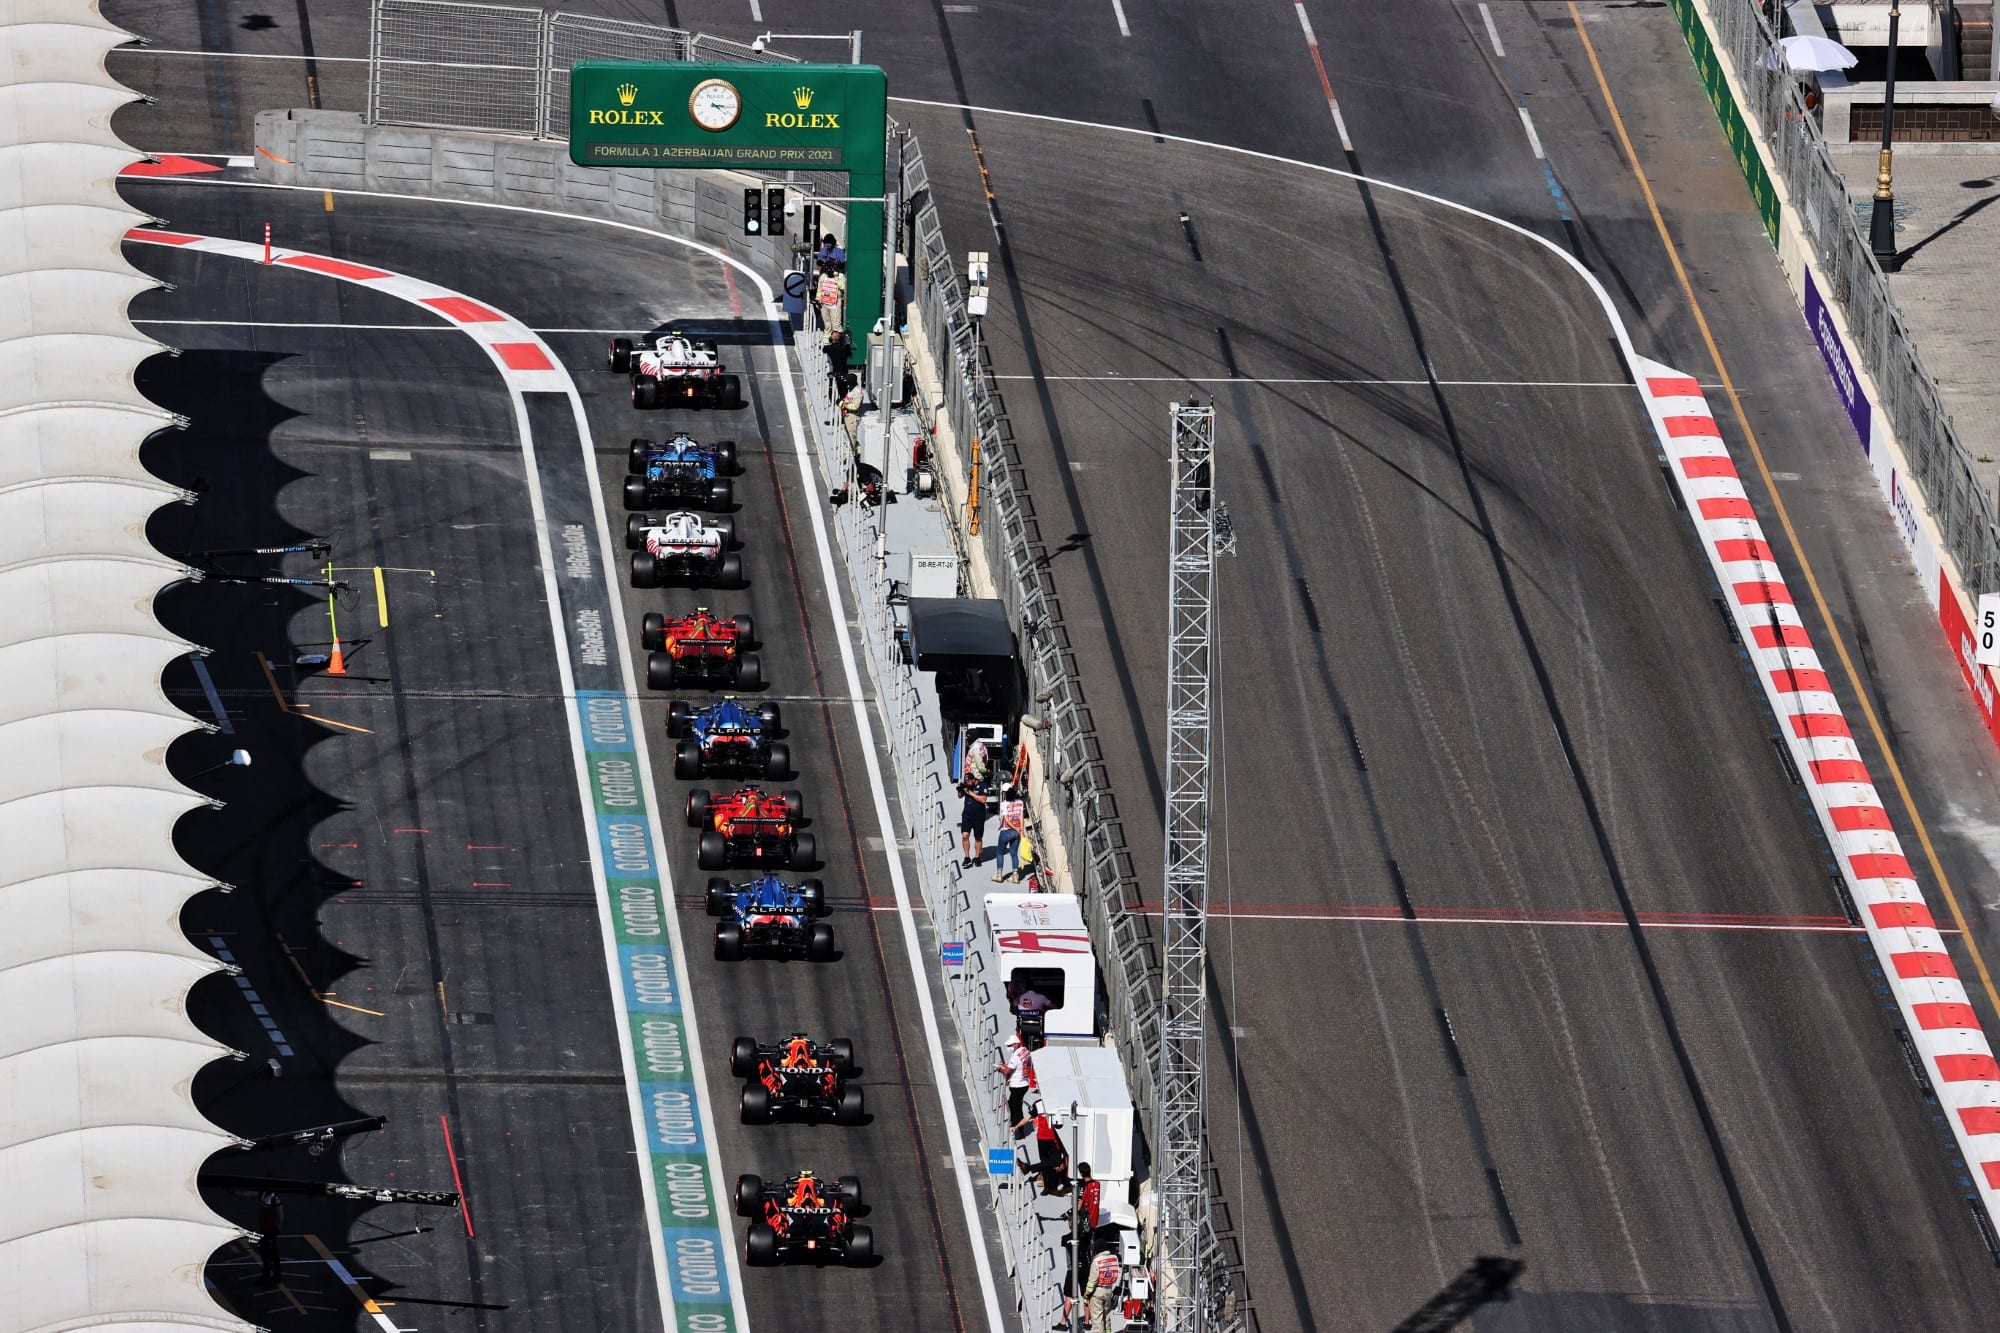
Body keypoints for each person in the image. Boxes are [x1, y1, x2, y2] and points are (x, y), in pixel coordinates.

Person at [996, 1033, 1033, 1133]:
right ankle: (1018, 1128)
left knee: (1015, 1108)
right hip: (1024, 1083)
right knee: (1016, 1105)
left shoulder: (1015, 1057)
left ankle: (1017, 1129)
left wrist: (1000, 1069)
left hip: (1017, 1085)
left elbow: (1008, 1071)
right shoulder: (1025, 1051)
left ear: (1016, 1044)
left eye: (1010, 1045)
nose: (1009, 1048)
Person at [1083, 1245, 1122, 1333]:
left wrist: (1087, 1293)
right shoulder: (1114, 1258)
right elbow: (1117, 1274)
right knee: (1106, 1316)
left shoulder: (1097, 1261)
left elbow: (1092, 1281)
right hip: (1108, 1290)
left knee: (1097, 1319)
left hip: (1097, 1291)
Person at [995, 783, 1027, 881]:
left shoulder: (1004, 804)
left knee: (1000, 852)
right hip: (1017, 832)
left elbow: (1007, 820)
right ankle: (1015, 876)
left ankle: (999, 875)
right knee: (1014, 853)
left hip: (1006, 831)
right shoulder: (1020, 802)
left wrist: (1015, 828)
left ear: (1005, 793)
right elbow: (1021, 816)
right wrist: (1020, 829)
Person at [959, 772, 991, 868]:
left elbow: (983, 800)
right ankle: (967, 857)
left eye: (969, 781)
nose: (968, 783)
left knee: (978, 837)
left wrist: (971, 793)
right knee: (965, 835)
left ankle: (977, 857)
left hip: (979, 816)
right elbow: (960, 796)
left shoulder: (982, 785)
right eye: (966, 781)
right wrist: (960, 790)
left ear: (974, 780)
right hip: (967, 815)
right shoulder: (966, 786)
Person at [256, 1191, 283, 1282]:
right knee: (270, 1253)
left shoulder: (275, 1198)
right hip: (264, 1228)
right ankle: (274, 1276)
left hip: (271, 1229)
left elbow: (281, 1215)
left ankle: (268, 1276)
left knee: (267, 1253)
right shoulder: (263, 1194)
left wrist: (277, 1229)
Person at [1074, 1162, 1101, 1233]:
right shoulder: (1097, 1184)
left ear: (1082, 1174)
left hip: (1087, 1218)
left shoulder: (1085, 1186)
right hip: (1095, 1217)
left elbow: (1079, 1206)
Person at [841, 380, 866, 453]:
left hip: (852, 417)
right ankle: (851, 452)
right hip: (848, 416)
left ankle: (850, 454)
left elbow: (855, 406)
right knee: (849, 436)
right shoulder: (853, 391)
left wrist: (842, 404)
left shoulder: (857, 392)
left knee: (851, 437)